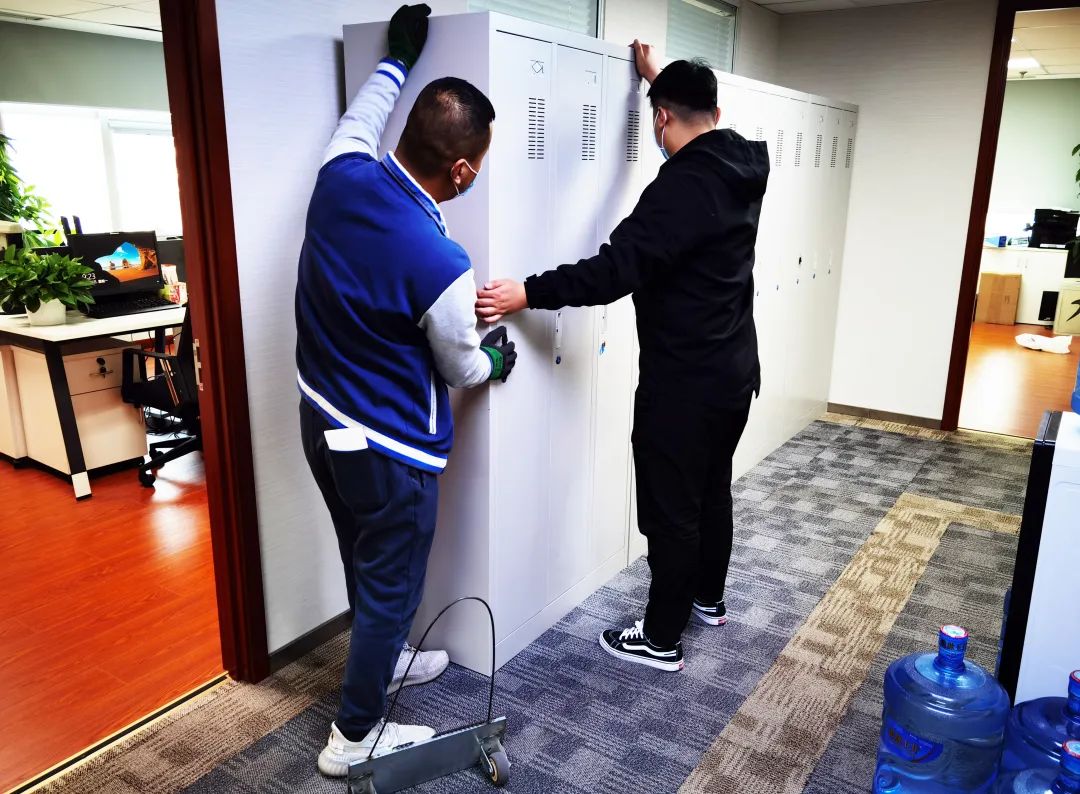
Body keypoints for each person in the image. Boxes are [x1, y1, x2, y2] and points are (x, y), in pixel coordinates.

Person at [476, 42, 768, 673]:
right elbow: (694, 122)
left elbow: (615, 270)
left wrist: (530, 292)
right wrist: (659, 80)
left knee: (671, 509)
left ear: (661, 118)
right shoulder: (742, 165)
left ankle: (661, 638)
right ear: (714, 112)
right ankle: (707, 599)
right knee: (711, 490)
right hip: (734, 373)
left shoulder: (681, 186)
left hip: (684, 383)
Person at [295, 4, 517, 776]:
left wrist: (397, 59)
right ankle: (354, 739)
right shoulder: (439, 260)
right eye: (478, 164)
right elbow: (461, 367)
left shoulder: (340, 174)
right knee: (391, 584)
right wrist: (497, 363)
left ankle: (383, 661)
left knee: (363, 562)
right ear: (461, 172)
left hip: (322, 421)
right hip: (391, 451)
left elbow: (361, 117)